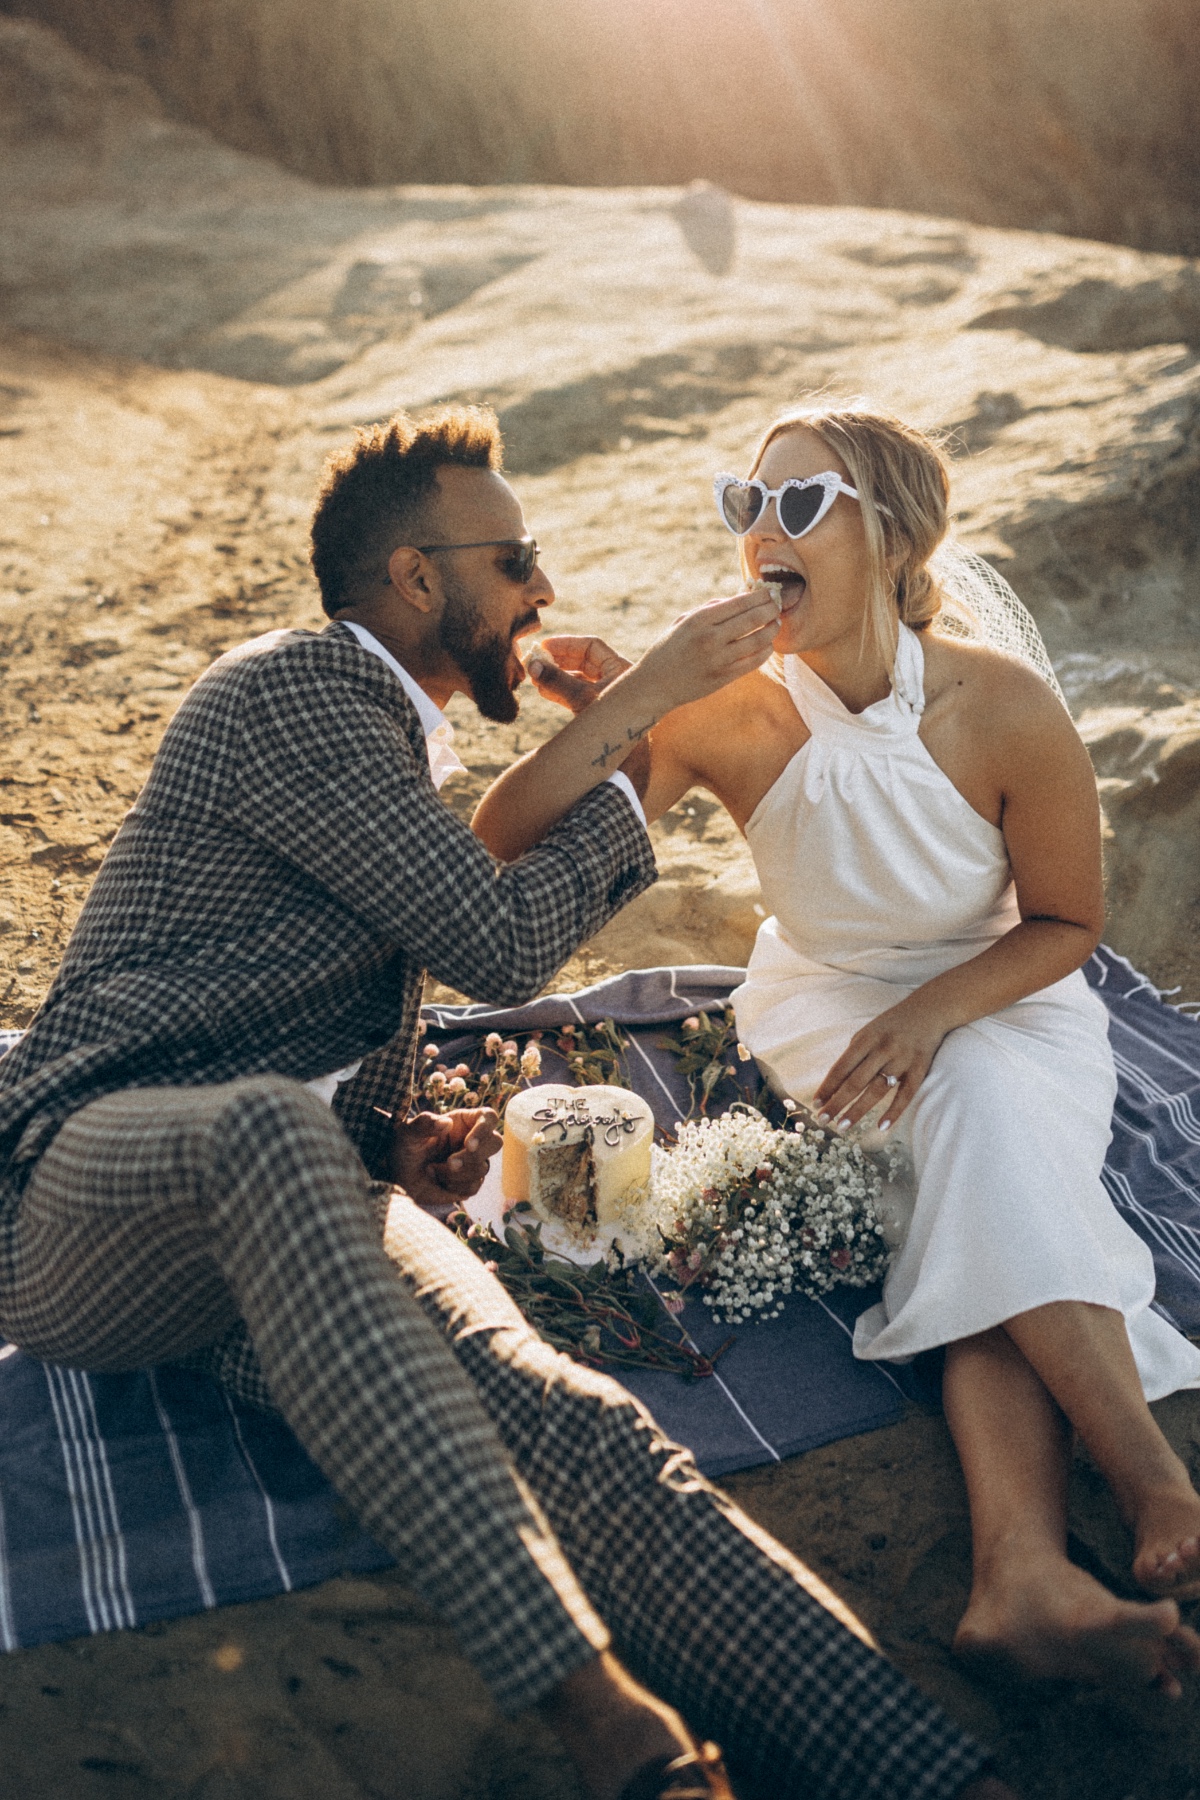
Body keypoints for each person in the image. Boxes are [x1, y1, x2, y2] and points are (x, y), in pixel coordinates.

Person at [0, 405, 1010, 1800]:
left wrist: (388, 1136)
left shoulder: (392, 741)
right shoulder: (296, 687)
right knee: (266, 1130)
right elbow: (493, 940)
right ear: (419, 579)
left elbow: (351, 982)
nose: (541, 588)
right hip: (83, 1198)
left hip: (291, 1205)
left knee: (571, 1426)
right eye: (517, 556)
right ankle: (611, 1726)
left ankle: (928, 1776)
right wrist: (647, 708)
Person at [474, 401, 1200, 1703]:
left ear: (900, 536)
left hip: (1008, 996)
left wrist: (937, 1011)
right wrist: (646, 691)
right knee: (970, 1147)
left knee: (969, 1132)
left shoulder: (1004, 707)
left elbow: (1069, 924)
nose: (763, 532)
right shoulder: (723, 712)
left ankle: (1026, 1571)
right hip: (822, 1006)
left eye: (801, 506)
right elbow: (505, 833)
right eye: (744, 504)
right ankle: (1137, 1480)